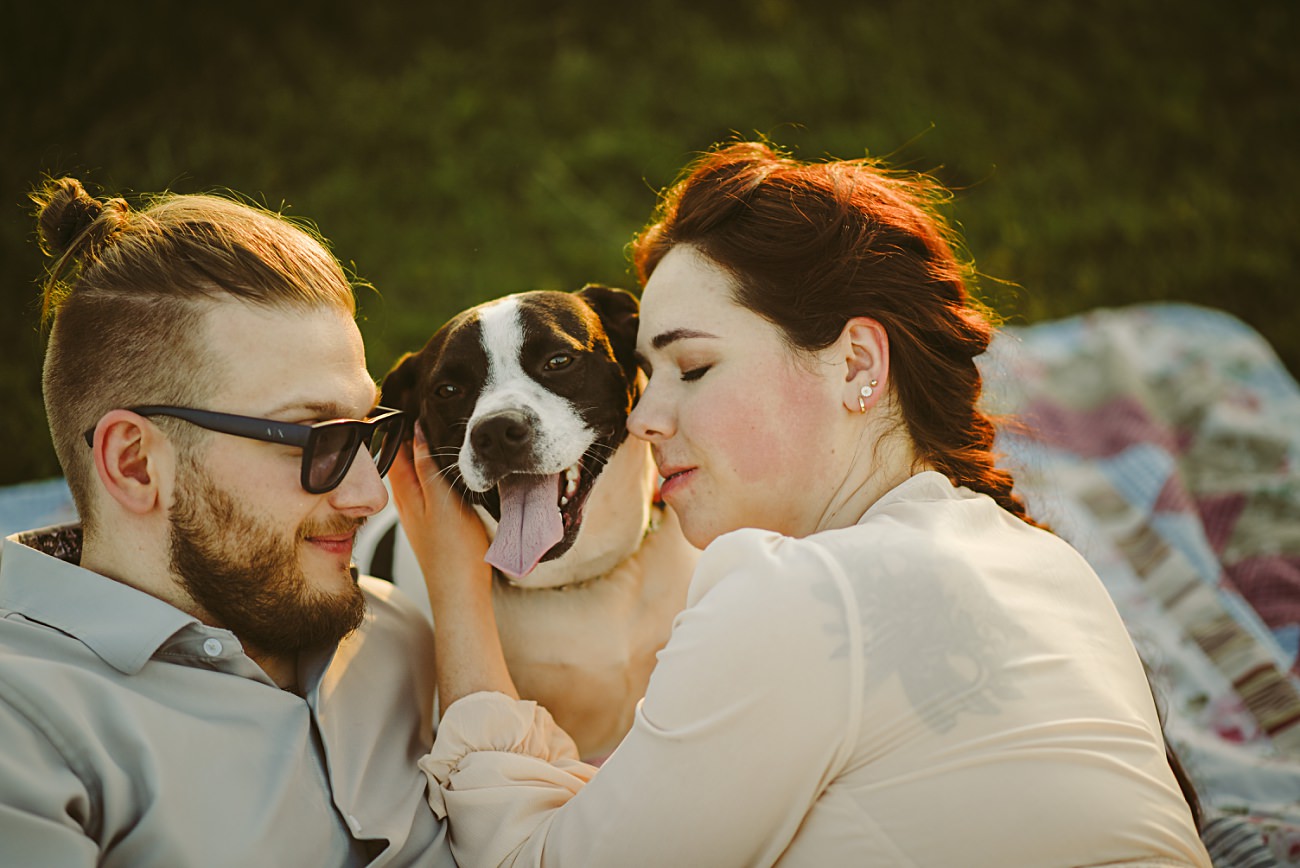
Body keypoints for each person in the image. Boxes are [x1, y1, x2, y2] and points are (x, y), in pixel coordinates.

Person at [391, 141, 1213, 866]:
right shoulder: (1045, 560)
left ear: (857, 362)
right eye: (648, 375)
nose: (642, 417)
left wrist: (457, 581)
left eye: (695, 369)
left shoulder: (792, 599)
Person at [0, 178, 452, 866]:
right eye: (316, 439)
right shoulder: (23, 725)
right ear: (135, 464)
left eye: (367, 432)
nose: (371, 495)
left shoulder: (397, 635)